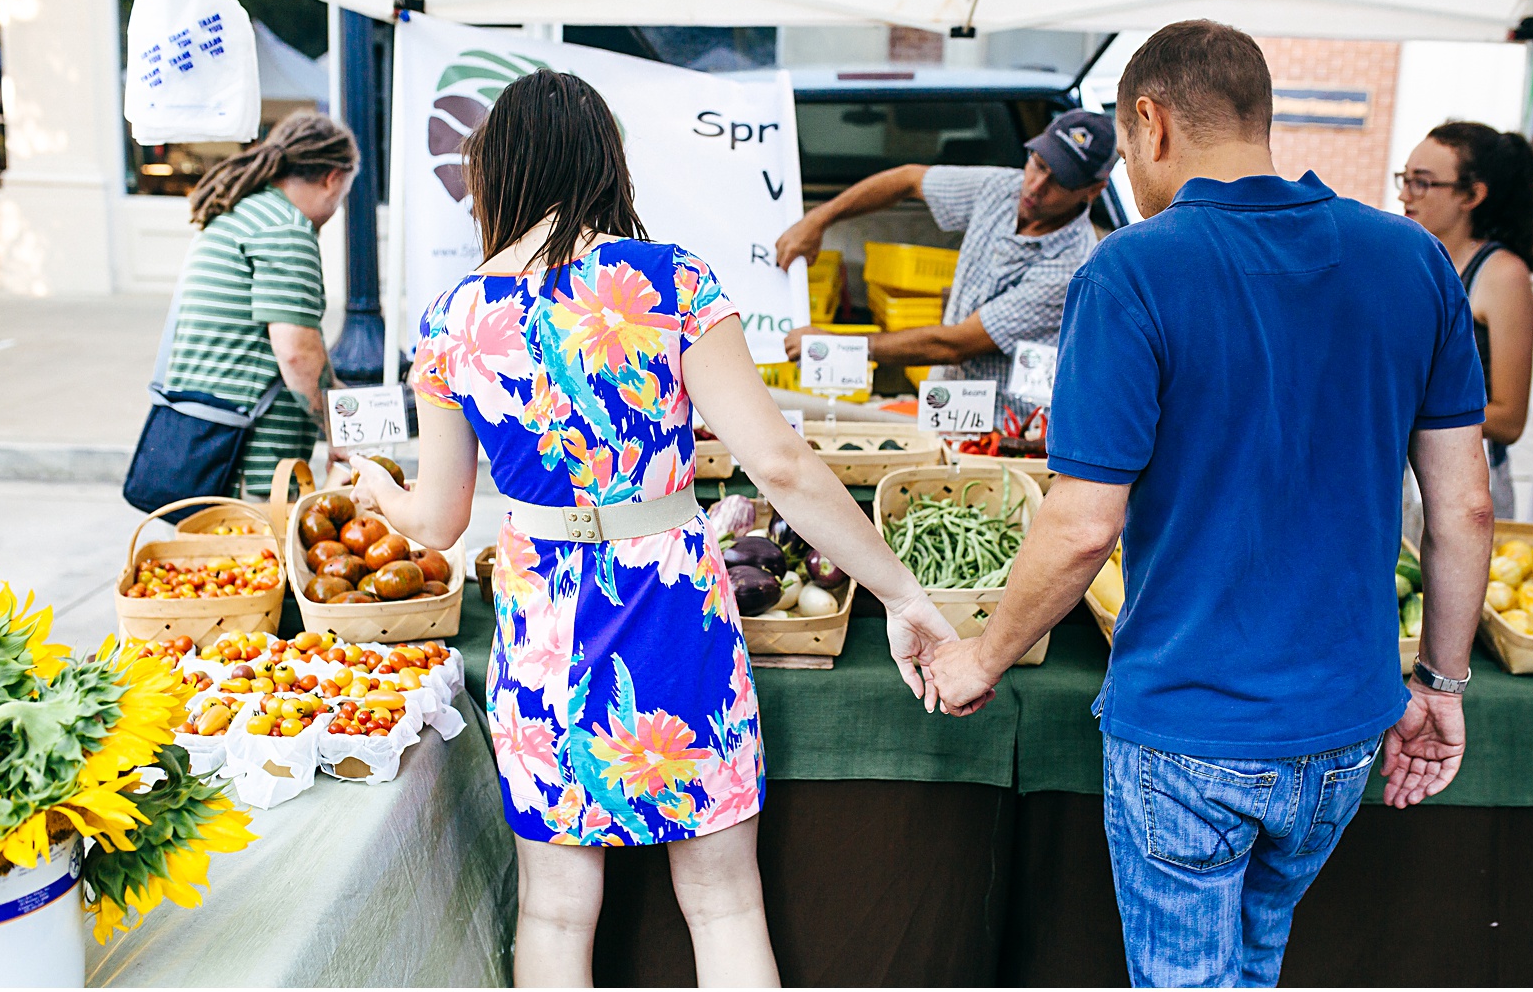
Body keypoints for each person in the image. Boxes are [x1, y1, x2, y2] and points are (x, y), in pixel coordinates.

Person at [349, 69, 964, 987]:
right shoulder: (672, 282)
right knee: (723, 903)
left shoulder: (452, 319)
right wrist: (902, 593)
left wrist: (374, 488)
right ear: (608, 163)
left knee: (555, 913)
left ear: (498, 173)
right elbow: (783, 466)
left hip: (542, 618)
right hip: (671, 597)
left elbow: (436, 520)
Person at [926, 20, 1495, 987]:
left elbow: (1082, 523)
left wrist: (980, 655)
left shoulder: (1133, 267)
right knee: (1253, 961)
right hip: (1344, 727)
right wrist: (1440, 685)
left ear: (1148, 123)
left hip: (1191, 730)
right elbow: (1466, 509)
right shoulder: (1412, 260)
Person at [777, 109, 1115, 418]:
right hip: (946, 407)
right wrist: (818, 220)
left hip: (1011, 431)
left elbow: (953, 344)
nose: (1036, 186)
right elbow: (908, 179)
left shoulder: (1073, 264)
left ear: (1092, 191)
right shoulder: (1001, 188)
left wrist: (837, 345)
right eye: (1038, 164)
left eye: (1060, 181)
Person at [164, 111, 358, 496]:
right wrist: (339, 429)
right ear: (332, 179)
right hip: (249, 460)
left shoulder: (240, 212)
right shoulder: (285, 229)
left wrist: (340, 394)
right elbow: (297, 353)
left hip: (206, 444)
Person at [1398, 122, 1533, 516]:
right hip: (1413, 479)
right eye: (1405, 178)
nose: (1404, 194)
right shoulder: (1415, 259)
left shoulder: (1501, 275)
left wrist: (1403, 399)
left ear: (1473, 195)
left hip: (1471, 486)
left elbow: (1510, 419)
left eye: (1422, 183)